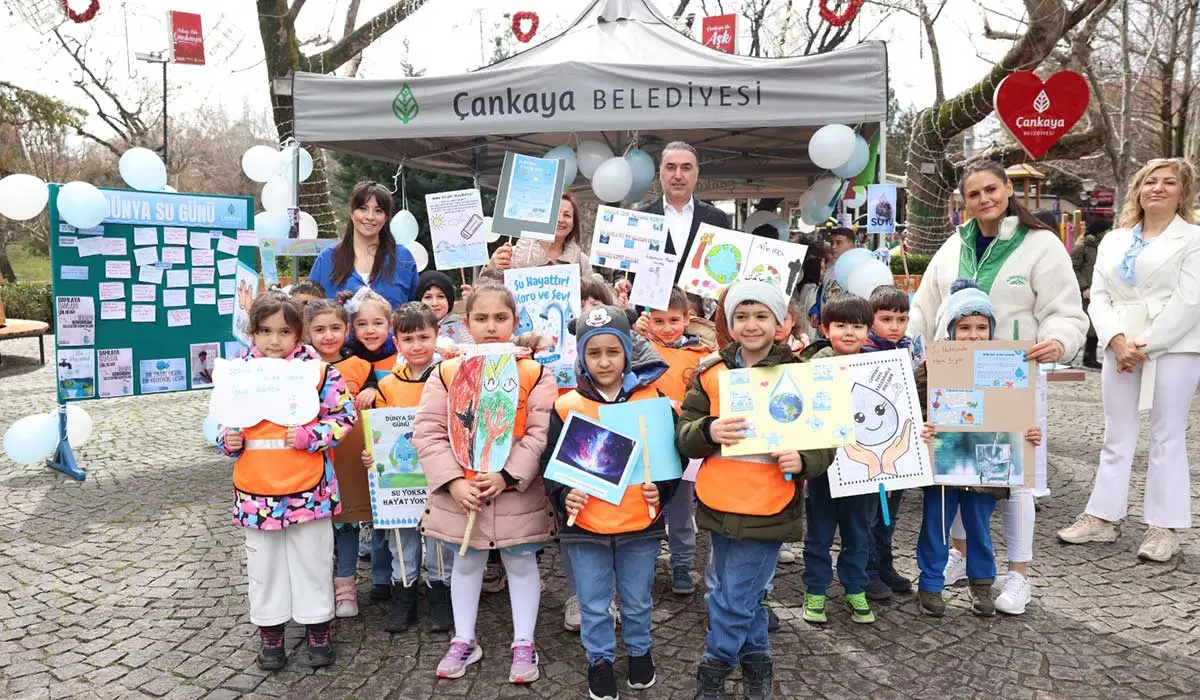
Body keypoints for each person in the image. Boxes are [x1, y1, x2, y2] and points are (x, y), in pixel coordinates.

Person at [910, 159, 1087, 616]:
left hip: (1014, 378)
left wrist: (1059, 341)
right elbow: (925, 309)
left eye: (992, 189)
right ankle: (961, 558)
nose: (985, 199)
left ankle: (1018, 575)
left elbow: (1066, 310)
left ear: (1009, 190)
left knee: (1016, 478)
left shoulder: (1041, 245)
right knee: (957, 473)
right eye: (974, 194)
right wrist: (909, 357)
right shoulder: (954, 247)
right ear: (963, 202)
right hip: (954, 380)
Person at [677, 280, 834, 700]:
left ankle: (713, 668)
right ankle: (757, 661)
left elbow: (823, 442)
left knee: (732, 598)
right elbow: (684, 435)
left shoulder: (799, 374)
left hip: (769, 507)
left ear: (781, 322)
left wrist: (804, 460)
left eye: (761, 315)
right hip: (719, 500)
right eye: (741, 316)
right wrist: (708, 429)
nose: (751, 325)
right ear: (729, 323)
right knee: (735, 594)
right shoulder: (711, 373)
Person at [1056, 158, 1200, 562]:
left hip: (1174, 347)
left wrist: (1144, 345)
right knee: (1116, 432)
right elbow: (1099, 295)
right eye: (1150, 181)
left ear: (1183, 193)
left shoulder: (1193, 239)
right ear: (1137, 189)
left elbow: (1189, 301)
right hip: (1118, 343)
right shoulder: (1115, 240)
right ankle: (1102, 516)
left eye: (1168, 182)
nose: (1157, 188)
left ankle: (1164, 526)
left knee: (1167, 434)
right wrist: (1117, 340)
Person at [413, 283, 558, 683]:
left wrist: (508, 474)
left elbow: (538, 432)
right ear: (466, 323)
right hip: (464, 493)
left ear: (515, 322)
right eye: (481, 318)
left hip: (514, 494)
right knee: (466, 561)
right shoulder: (445, 372)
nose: (491, 326)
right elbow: (428, 432)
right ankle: (464, 638)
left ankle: (524, 641)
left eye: (500, 318)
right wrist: (453, 482)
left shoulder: (534, 372)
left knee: (521, 563)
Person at [542, 305, 682, 700]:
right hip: (586, 527)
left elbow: (673, 456)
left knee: (638, 599)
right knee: (593, 602)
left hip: (641, 523)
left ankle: (639, 651)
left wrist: (665, 489)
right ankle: (599, 659)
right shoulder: (567, 405)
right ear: (581, 358)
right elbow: (550, 464)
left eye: (613, 352)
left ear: (627, 353)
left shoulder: (652, 400)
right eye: (594, 353)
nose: (604, 362)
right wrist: (564, 493)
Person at [216, 292, 356, 670]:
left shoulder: (320, 372)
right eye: (265, 331)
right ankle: (270, 631)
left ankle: (317, 628)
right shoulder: (238, 374)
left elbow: (344, 416)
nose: (274, 340)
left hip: (309, 490)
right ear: (252, 332)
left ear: (299, 334)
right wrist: (227, 439)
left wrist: (314, 436)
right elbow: (222, 419)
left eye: (284, 331)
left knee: (312, 559)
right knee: (265, 565)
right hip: (256, 492)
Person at [916, 279, 1043, 617]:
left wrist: (1026, 434)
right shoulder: (933, 366)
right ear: (952, 329)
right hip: (944, 463)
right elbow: (916, 408)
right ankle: (930, 584)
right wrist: (925, 426)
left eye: (981, 327)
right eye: (966, 327)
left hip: (988, 464)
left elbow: (1017, 412)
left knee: (979, 526)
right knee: (935, 524)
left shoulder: (1005, 364)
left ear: (991, 329)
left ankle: (982, 584)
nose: (973, 335)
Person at [361, 302, 455, 633]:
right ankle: (405, 597)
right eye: (408, 339)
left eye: (424, 337)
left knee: (440, 537)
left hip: (441, 474)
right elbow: (381, 433)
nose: (417, 346)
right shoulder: (388, 385)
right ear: (396, 343)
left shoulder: (451, 375)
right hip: (402, 485)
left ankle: (441, 596)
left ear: (437, 336)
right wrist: (373, 455)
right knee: (402, 538)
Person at [801, 294, 879, 625]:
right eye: (841, 325)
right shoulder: (811, 367)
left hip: (863, 469)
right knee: (818, 534)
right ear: (825, 327)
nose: (849, 333)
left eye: (857, 326)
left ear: (868, 330)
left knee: (858, 534)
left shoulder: (879, 368)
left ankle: (855, 588)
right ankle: (815, 590)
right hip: (823, 470)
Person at [633, 287, 713, 597]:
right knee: (648, 507)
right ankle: (645, 563)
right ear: (648, 321)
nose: (667, 328)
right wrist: (634, 334)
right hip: (648, 441)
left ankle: (681, 564)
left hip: (683, 442)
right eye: (659, 321)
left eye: (674, 320)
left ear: (688, 319)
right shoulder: (638, 347)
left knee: (681, 510)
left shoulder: (701, 355)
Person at [303, 299, 376, 619]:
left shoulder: (360, 366)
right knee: (316, 530)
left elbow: (377, 390)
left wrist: (372, 390)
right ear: (306, 333)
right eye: (319, 329)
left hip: (346, 459)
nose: (328, 335)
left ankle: (346, 586)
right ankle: (317, 589)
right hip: (311, 462)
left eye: (335, 328)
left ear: (347, 330)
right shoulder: (299, 369)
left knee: (346, 527)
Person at [861, 285, 916, 601]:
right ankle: (866, 570)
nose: (895, 326)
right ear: (871, 320)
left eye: (902, 318)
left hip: (899, 446)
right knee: (869, 512)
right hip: (870, 446)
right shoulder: (863, 352)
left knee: (889, 512)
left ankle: (885, 564)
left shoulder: (909, 350)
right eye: (887, 319)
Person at [308, 181, 419, 308]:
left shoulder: (403, 258)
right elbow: (311, 309)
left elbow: (415, 312)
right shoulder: (328, 258)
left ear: (386, 217)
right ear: (351, 212)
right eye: (363, 209)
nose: (370, 217)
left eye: (378, 211)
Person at [638, 142, 733, 283]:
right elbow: (623, 269)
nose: (678, 175)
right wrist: (621, 281)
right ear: (660, 172)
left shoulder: (716, 219)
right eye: (670, 168)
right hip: (650, 304)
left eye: (686, 168)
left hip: (698, 303)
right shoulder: (641, 218)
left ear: (697, 173)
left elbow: (727, 268)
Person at [488, 191, 593, 277]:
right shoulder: (512, 255)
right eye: (554, 214)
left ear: (574, 223)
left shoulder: (582, 262)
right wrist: (491, 269)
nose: (560, 219)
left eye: (567, 215)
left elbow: (594, 299)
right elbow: (485, 293)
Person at [1071, 219, 1112, 369]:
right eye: (1106, 230)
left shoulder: (1102, 246)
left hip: (1098, 290)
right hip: (1085, 292)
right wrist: (1084, 287)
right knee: (1084, 325)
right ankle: (1073, 356)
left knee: (1095, 325)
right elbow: (1073, 268)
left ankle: (1090, 357)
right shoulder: (1082, 246)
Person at [416, 270, 472, 345]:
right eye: (428, 297)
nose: (434, 303)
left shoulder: (462, 325)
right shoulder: (411, 329)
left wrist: (474, 305)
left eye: (440, 296)